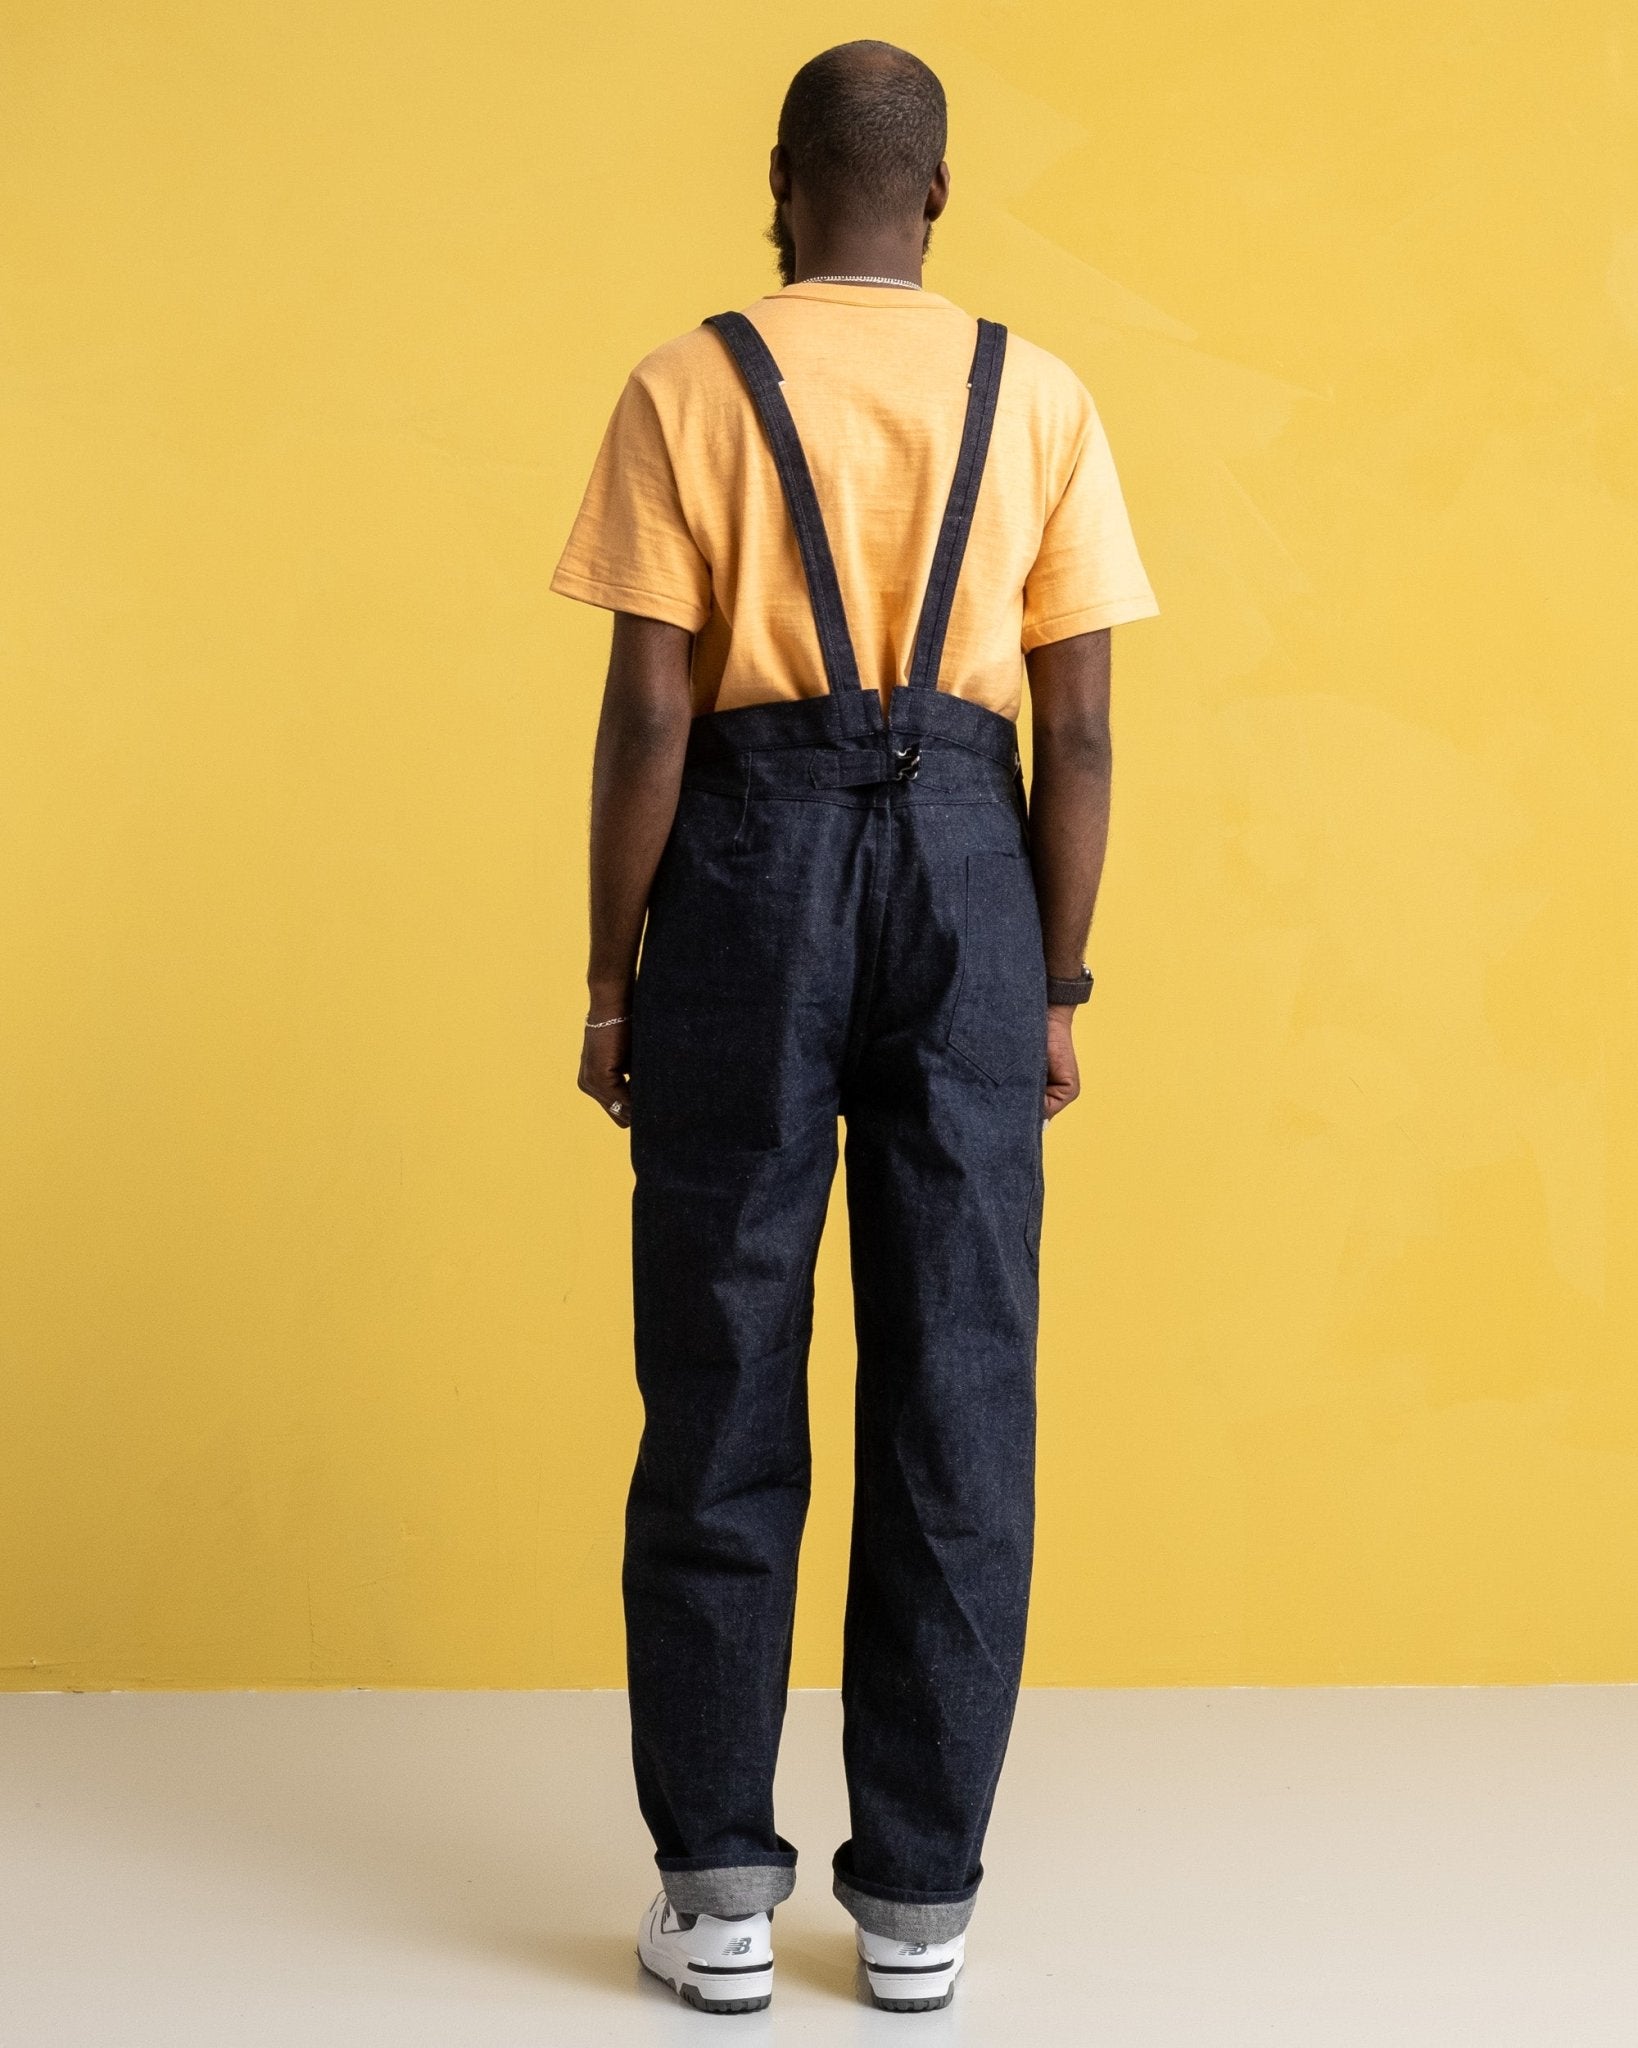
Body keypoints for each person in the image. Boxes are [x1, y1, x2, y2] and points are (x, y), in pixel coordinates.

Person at [551, 39, 1158, 2015]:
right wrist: (1051, 980)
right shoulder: (1039, 395)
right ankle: (915, 1906)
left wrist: (614, 974)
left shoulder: (687, 384)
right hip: (974, 880)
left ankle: (720, 1891)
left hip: (748, 876)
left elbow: (651, 712)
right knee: (959, 1381)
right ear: (938, 195)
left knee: (721, 1367)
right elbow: (1080, 733)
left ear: (779, 184)